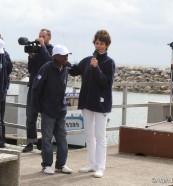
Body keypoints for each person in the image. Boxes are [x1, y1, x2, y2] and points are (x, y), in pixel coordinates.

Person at [68, 29, 115, 178]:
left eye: (102, 43)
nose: (98, 46)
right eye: (97, 43)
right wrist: (61, 57)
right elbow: (73, 70)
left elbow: (106, 83)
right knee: (89, 135)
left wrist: (96, 68)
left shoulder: (109, 62)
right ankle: (91, 163)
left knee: (100, 136)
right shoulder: (87, 59)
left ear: (107, 45)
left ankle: (100, 167)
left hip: (101, 104)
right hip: (87, 103)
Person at [32, 45, 73, 175]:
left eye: (67, 55)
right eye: (64, 55)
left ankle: (61, 165)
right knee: (47, 138)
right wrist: (39, 107)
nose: (66, 57)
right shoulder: (46, 68)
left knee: (62, 138)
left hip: (61, 110)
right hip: (48, 110)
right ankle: (46, 165)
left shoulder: (65, 68)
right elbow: (35, 88)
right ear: (55, 57)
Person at [23, 28, 53, 153]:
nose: (41, 38)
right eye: (39, 36)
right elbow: (31, 69)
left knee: (46, 117)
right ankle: (31, 142)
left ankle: (45, 144)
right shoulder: (36, 50)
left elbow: (49, 61)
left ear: (49, 38)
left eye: (43, 36)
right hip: (34, 88)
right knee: (30, 116)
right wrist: (30, 56)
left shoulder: (51, 50)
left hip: (45, 90)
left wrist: (42, 46)